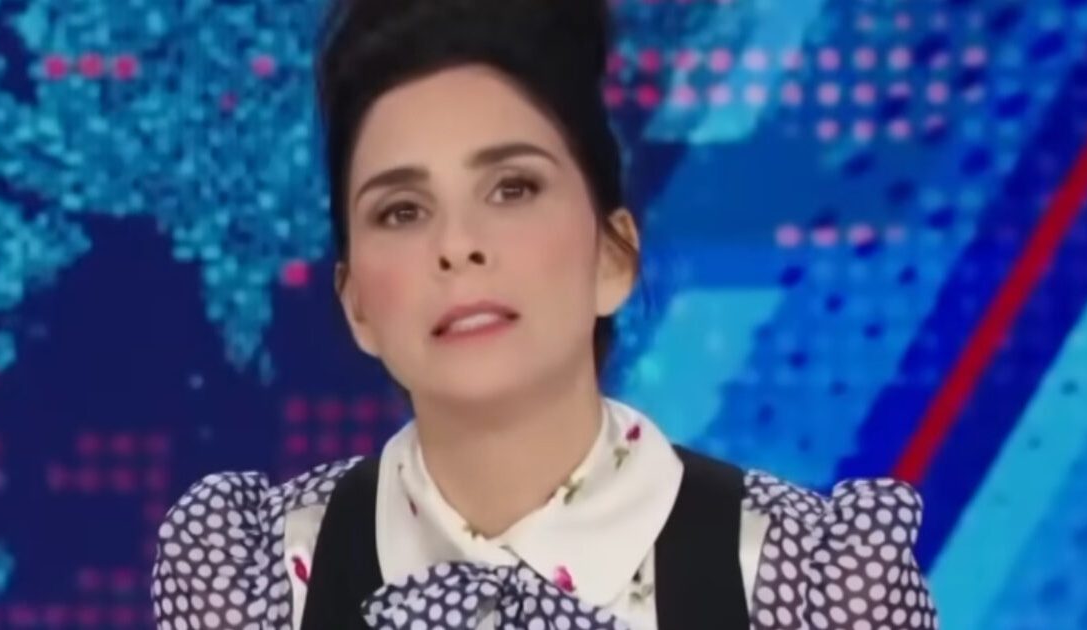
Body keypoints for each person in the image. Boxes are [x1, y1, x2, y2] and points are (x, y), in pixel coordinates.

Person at [151, 0, 940, 628]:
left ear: (612, 257)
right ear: (356, 302)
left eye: (513, 189)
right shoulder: (258, 584)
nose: (457, 245)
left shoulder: (803, 583)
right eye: (402, 210)